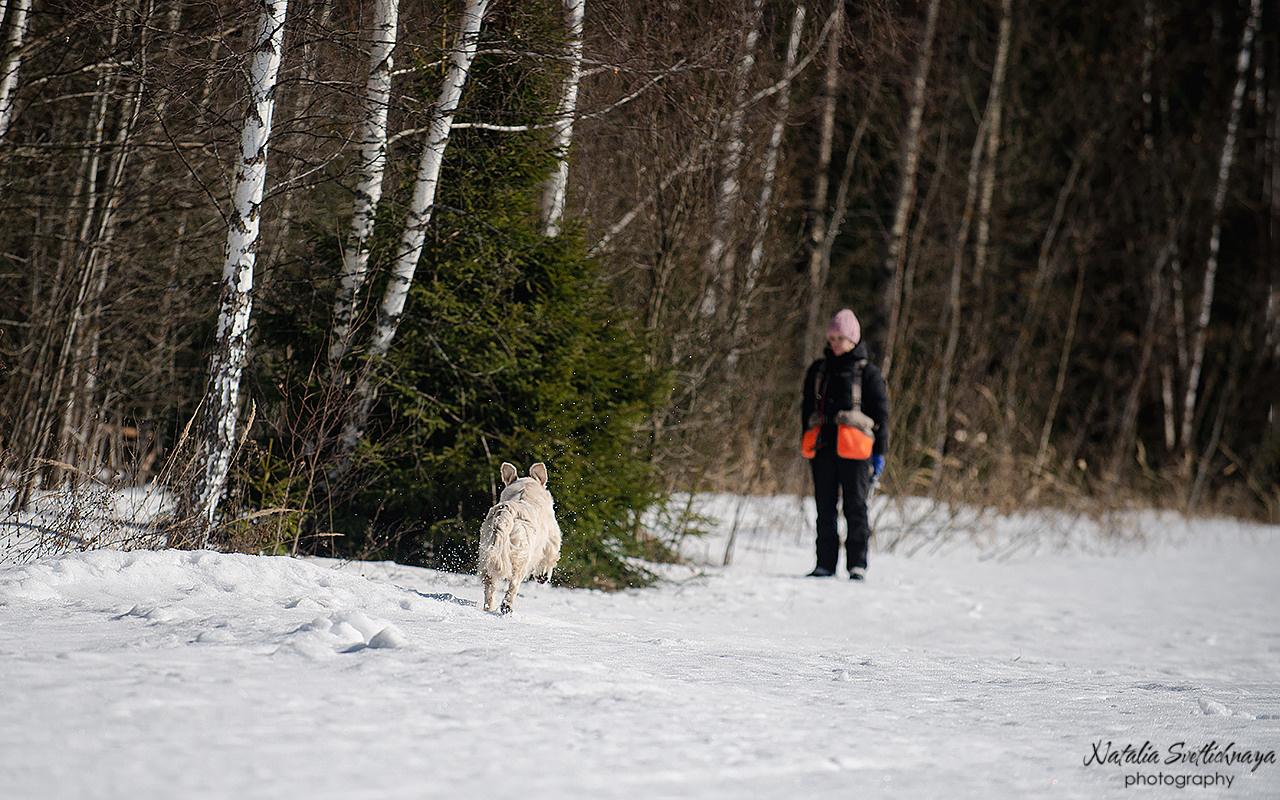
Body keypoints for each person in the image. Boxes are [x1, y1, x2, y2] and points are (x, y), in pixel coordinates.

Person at [800, 309, 889, 580]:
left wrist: (879, 454)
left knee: (856, 508)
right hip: (824, 448)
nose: (835, 342)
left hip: (857, 452)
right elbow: (806, 409)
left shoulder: (868, 373)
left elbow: (882, 416)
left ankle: (857, 565)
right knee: (824, 508)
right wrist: (807, 438)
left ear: (853, 339)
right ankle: (824, 564)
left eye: (840, 337)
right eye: (832, 337)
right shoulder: (819, 370)